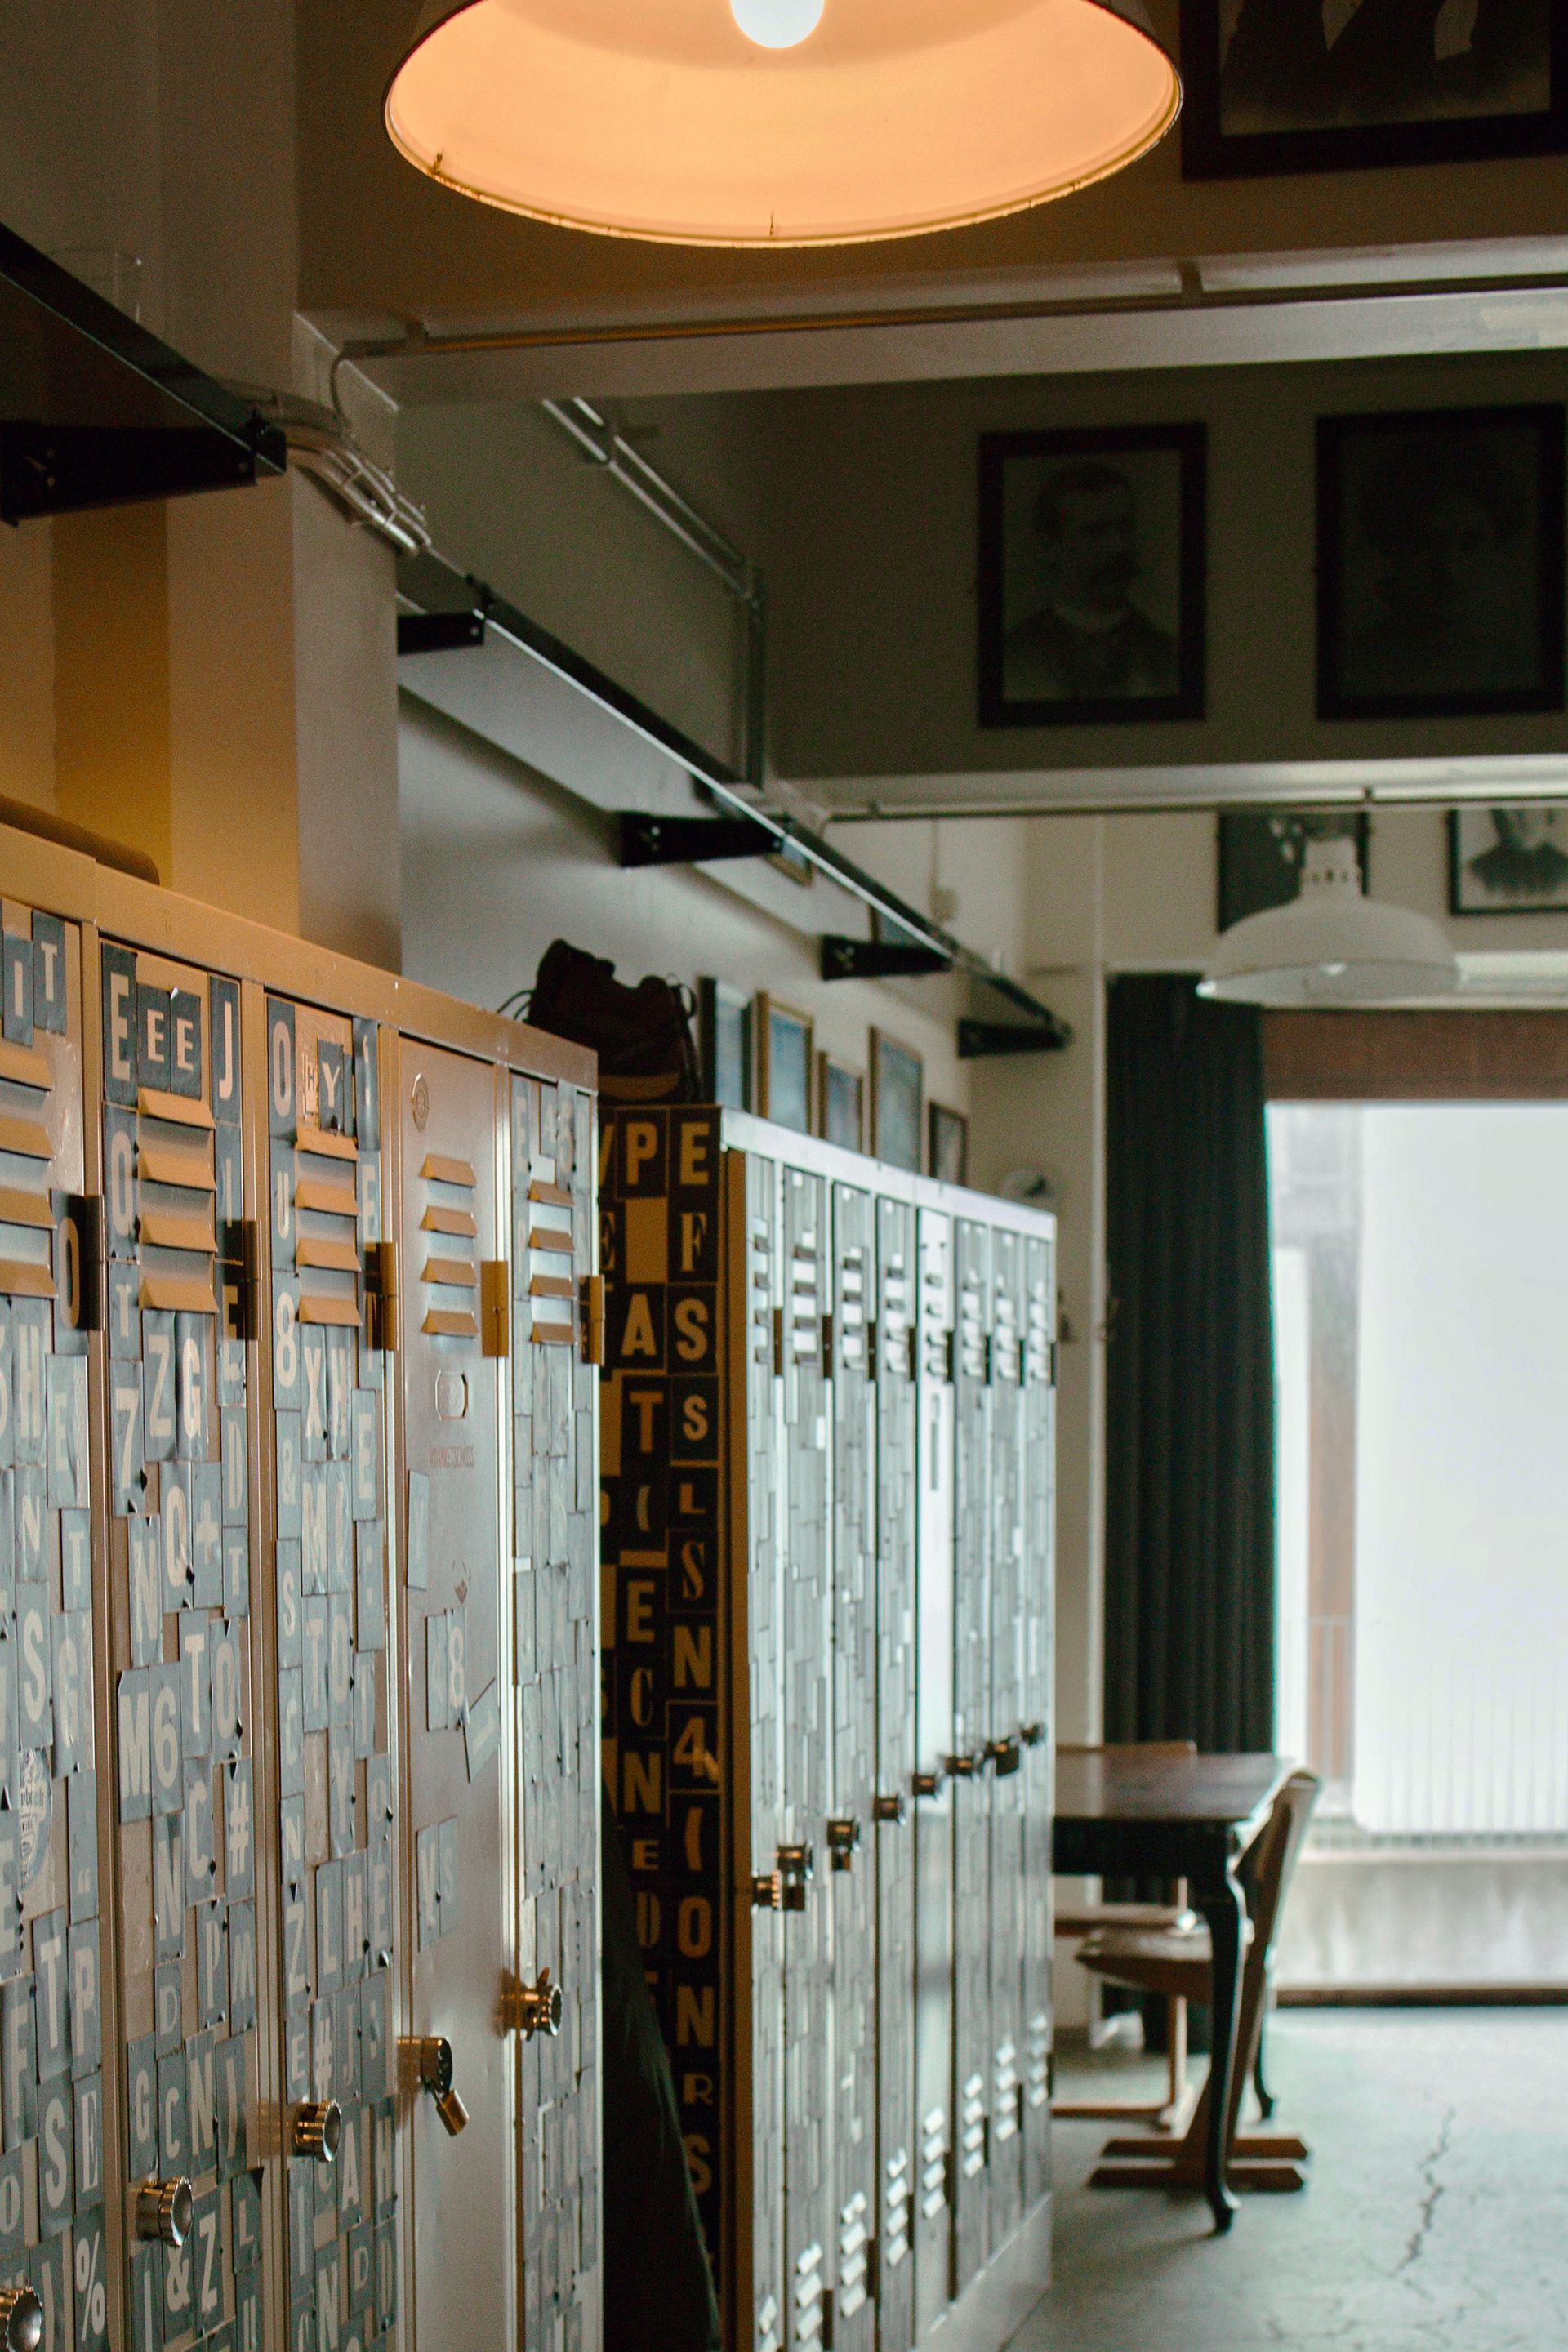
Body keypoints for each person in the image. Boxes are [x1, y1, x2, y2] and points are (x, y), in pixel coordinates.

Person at [1340, 430, 1536, 702]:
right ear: (1393, 547)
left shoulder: (1510, 670)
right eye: (1427, 544)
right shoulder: (1354, 669)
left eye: (1470, 544)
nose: (1450, 570)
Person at [1004, 460, 1180, 707]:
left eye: (1125, 529)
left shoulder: (1172, 657)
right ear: (1049, 547)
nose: (1118, 547)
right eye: (1095, 532)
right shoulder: (1011, 660)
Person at [1466, 808, 1568, 903]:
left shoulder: (1564, 870)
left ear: (1549, 817)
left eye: (1529, 808)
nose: (1520, 816)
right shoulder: (1477, 872)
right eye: (1511, 808)